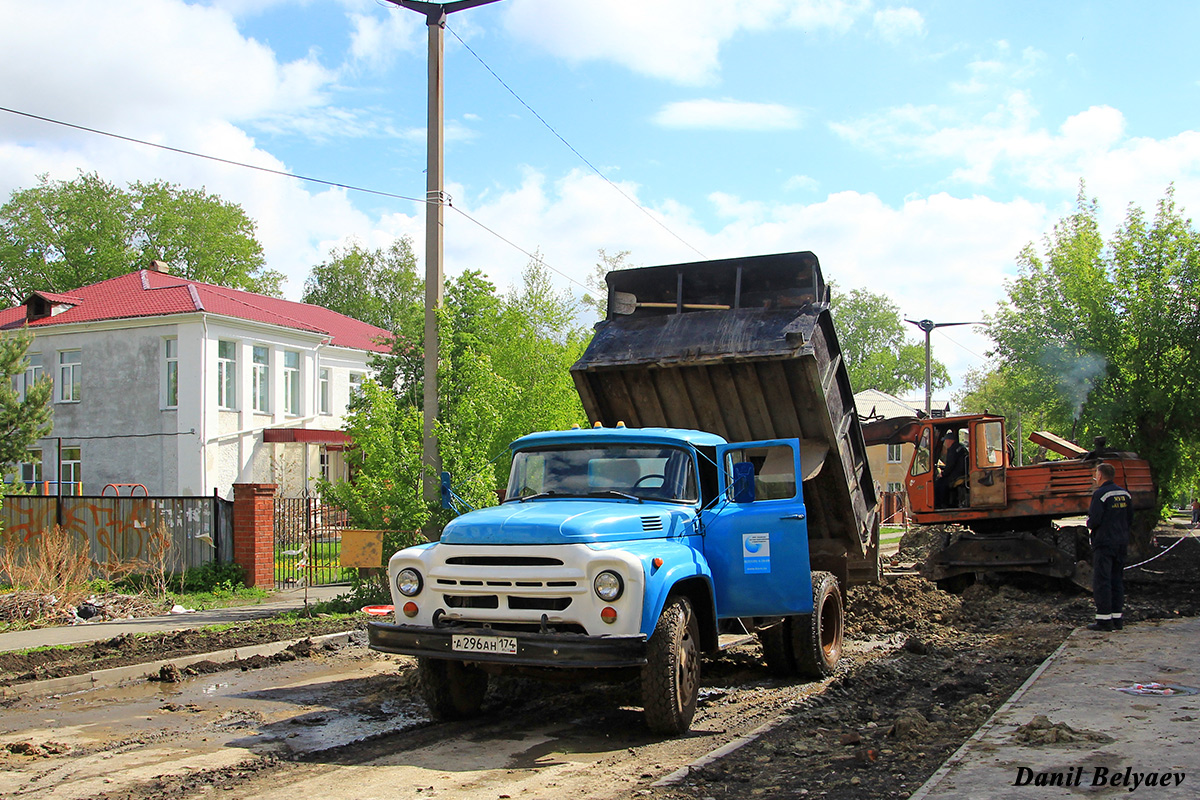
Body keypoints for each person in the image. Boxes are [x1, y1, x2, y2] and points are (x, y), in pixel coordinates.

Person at [1086, 462, 1133, 632]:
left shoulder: (1100, 494)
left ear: (1099, 476)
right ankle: (1117, 619)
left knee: (1102, 581)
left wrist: (1089, 524)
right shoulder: (1124, 494)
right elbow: (1129, 518)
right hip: (1120, 542)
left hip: (1104, 543)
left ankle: (1104, 620)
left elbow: (1095, 519)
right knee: (1116, 579)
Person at [934, 429, 968, 508]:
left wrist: (943, 473)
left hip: (957, 474)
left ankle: (942, 505)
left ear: (950, 441)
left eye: (946, 441)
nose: (945, 443)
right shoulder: (960, 447)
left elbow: (950, 465)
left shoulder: (952, 450)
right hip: (962, 472)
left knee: (939, 484)